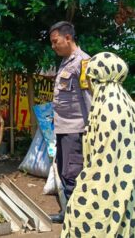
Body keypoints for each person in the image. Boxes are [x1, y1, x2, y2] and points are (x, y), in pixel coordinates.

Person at [61, 52, 135, 238]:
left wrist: (84, 187)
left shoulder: (105, 107)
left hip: (105, 185)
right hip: (127, 186)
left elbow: (100, 161)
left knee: (83, 218)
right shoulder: (127, 102)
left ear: (97, 79)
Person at [49, 21, 92, 223]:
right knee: (64, 171)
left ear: (68, 38)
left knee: (73, 174)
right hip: (63, 128)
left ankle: (78, 220)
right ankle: (69, 213)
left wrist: (92, 129)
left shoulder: (83, 62)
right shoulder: (66, 62)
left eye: (55, 41)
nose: (53, 46)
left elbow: (89, 99)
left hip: (76, 130)